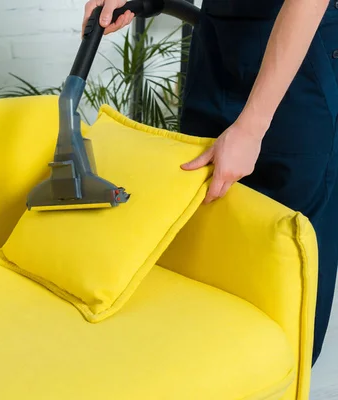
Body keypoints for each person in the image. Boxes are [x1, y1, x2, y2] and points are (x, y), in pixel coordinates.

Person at [83, 0, 338, 366]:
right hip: (218, 39)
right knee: (202, 233)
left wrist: (251, 127)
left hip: (299, 53)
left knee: (285, 255)